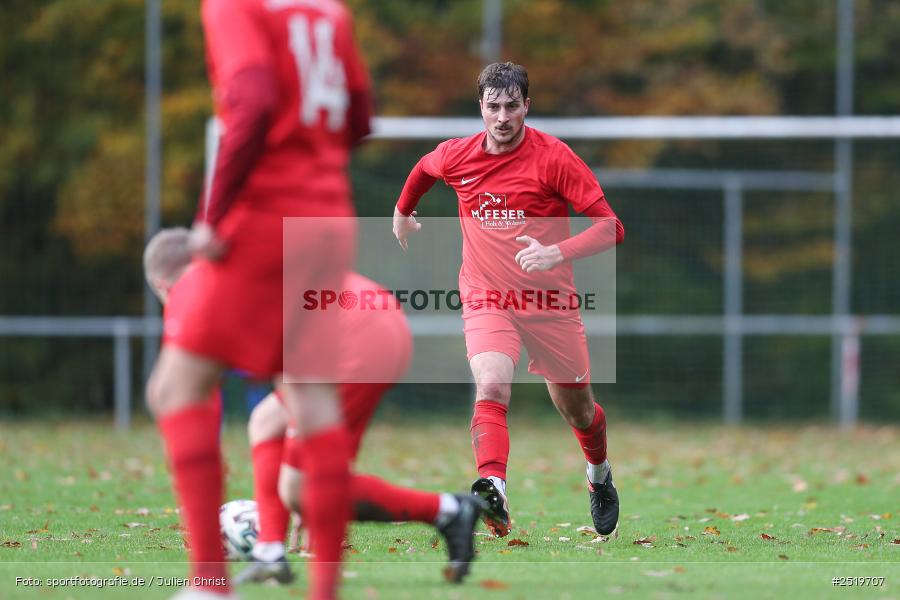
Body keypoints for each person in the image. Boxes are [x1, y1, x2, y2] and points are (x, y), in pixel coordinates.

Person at [145, 1, 372, 598]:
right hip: (330, 218)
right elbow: (360, 114)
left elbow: (253, 95)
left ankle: (209, 585)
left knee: (175, 388)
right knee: (311, 399)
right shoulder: (330, 10)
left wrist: (214, 217)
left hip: (267, 217)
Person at [144, 230, 484, 588]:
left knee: (299, 489)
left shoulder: (201, 290)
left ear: (163, 285)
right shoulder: (234, 265)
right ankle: (270, 549)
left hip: (354, 337)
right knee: (265, 422)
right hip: (374, 317)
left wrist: (317, 489)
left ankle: (448, 511)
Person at [392, 62, 624, 539]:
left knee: (580, 411)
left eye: (511, 106)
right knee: (492, 385)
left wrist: (555, 251)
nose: (502, 117)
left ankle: (598, 475)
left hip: (551, 303)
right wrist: (402, 212)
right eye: (493, 106)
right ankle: (492, 487)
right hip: (486, 296)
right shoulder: (457, 155)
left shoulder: (554, 157)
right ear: (480, 107)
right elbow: (422, 170)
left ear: (526, 107)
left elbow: (610, 226)